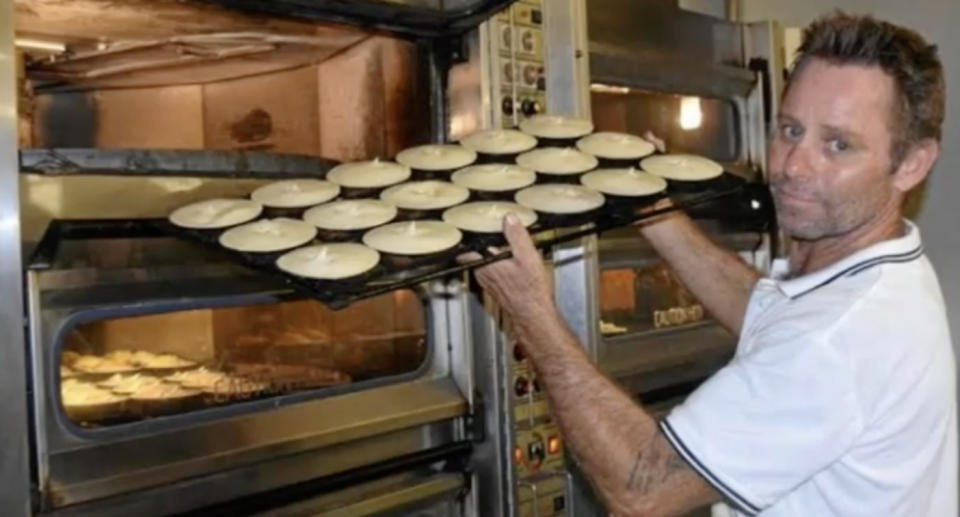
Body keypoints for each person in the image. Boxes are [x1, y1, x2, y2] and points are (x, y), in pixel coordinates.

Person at [471, 12, 955, 517]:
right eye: (790, 130)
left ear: (912, 163)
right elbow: (769, 315)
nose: (792, 166)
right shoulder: (881, 276)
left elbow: (640, 491)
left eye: (838, 145)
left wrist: (528, 311)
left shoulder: (839, 340)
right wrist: (653, 210)